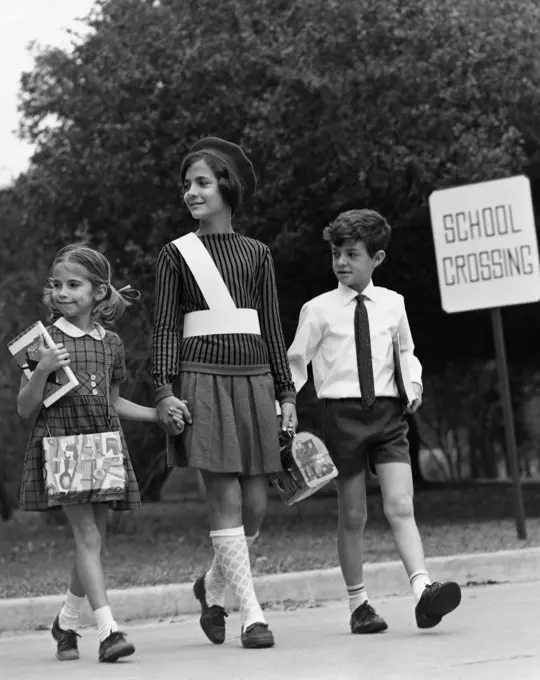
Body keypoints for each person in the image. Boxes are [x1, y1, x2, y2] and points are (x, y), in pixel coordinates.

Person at [152, 137, 297, 649]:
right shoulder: (175, 255)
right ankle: (251, 614)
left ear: (227, 188)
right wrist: (165, 389)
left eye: (202, 183)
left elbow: (274, 329)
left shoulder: (258, 254)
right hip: (202, 381)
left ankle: (212, 586)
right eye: (187, 184)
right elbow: (166, 326)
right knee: (226, 496)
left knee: (256, 504)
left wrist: (287, 394)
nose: (191, 192)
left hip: (256, 379)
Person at [287, 209, 461, 635]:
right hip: (342, 416)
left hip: (388, 414)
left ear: (377, 258)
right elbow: (296, 361)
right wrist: (286, 402)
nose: (341, 262)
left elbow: (406, 353)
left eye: (351, 254)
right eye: (335, 253)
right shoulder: (319, 309)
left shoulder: (394, 304)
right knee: (353, 515)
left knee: (402, 504)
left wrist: (414, 387)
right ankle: (359, 603)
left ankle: (423, 592)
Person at [18, 244, 185, 663]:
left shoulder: (110, 343)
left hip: (104, 443)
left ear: (98, 292)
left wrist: (157, 415)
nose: (63, 292)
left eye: (74, 285)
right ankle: (109, 631)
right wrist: (41, 369)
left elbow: (113, 402)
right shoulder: (43, 340)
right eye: (57, 284)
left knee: (92, 543)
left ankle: (66, 622)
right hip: (62, 445)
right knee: (88, 538)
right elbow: (25, 407)